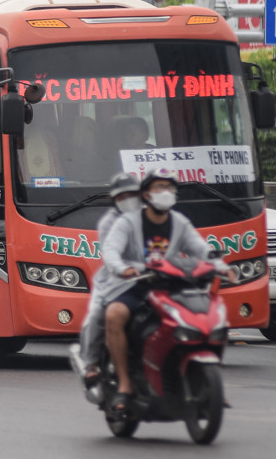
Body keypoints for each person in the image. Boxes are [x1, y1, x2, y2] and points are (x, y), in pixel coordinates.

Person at [99, 168, 237, 415]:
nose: (165, 193)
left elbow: (201, 249)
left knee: (210, 317)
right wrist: (122, 268)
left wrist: (220, 267)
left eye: (169, 188)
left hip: (172, 286)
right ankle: (125, 384)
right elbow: (110, 251)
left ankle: (198, 379)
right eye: (158, 187)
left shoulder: (179, 222)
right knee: (114, 315)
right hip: (137, 284)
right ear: (146, 194)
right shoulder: (128, 222)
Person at [76, 172, 141, 386]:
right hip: (117, 280)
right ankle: (91, 364)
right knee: (97, 315)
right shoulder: (109, 223)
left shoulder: (152, 217)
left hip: (151, 278)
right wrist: (125, 269)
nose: (128, 200)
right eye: (123, 197)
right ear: (115, 200)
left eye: (132, 194)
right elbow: (112, 254)